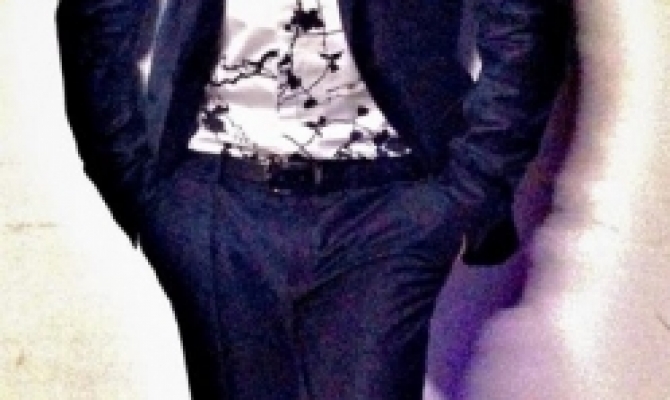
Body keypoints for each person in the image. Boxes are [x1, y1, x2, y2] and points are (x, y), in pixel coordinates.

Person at [55, 0, 572, 398]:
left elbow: (525, 21)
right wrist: (136, 188)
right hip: (217, 201)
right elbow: (96, 21)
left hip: (388, 201)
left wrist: (470, 190)